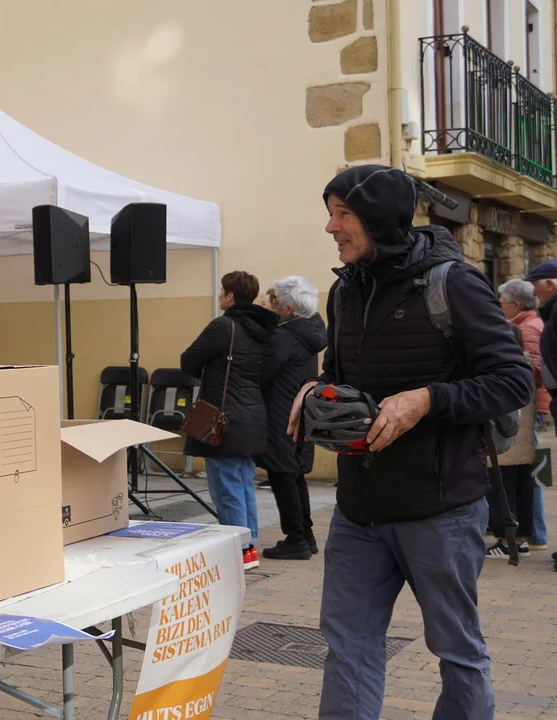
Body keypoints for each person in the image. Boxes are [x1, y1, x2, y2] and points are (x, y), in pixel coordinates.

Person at [288, 164, 531, 719]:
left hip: (439, 510)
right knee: (347, 648)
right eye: (330, 213)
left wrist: (427, 399)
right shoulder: (345, 290)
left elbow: (513, 381)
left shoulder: (454, 283)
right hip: (359, 509)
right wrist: (317, 389)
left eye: (343, 214)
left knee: (457, 652)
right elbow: (344, 376)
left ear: (378, 218)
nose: (331, 227)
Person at [180, 270, 278, 571]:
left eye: (222, 291)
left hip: (224, 419)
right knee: (243, 483)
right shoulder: (265, 327)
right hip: (253, 415)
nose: (220, 296)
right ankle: (249, 544)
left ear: (230, 295)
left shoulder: (224, 326)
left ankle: (240, 549)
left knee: (226, 486)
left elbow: (188, 360)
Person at [257, 276, 327, 561]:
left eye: (275, 300)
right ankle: (306, 535)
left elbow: (263, 374)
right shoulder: (311, 329)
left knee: (282, 475)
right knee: (295, 475)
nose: (272, 303)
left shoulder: (284, 336)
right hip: (300, 411)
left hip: (280, 413)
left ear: (287, 307)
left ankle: (295, 538)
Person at [499, 277, 550, 553]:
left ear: (515, 305)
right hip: (535, 407)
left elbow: (531, 373)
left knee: (528, 470)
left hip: (529, 409)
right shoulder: (533, 323)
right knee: (532, 467)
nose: (499, 307)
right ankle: (533, 533)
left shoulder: (525, 328)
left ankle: (534, 533)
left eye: (502, 302)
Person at [484, 324, 537, 558]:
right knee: (523, 489)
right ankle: (522, 540)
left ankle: (507, 542)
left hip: (505, 437)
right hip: (526, 438)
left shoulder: (502, 365)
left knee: (502, 492)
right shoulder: (527, 362)